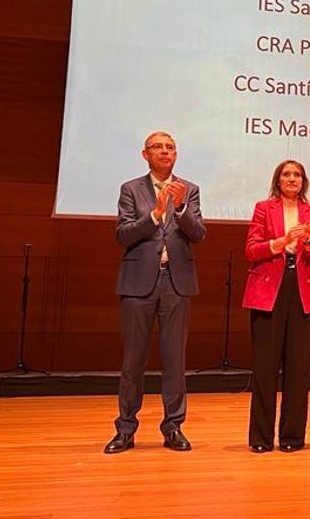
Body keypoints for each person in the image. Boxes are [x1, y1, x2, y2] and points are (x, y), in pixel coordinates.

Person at [104, 131, 207, 454]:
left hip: (176, 283)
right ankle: (126, 429)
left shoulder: (189, 190)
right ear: (144, 154)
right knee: (133, 360)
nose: (165, 151)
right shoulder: (131, 189)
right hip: (139, 283)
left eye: (170, 147)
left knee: (175, 360)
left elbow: (199, 234)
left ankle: (173, 426)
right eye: (158, 147)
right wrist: (155, 215)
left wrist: (179, 209)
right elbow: (123, 235)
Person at [243, 159, 310, 453]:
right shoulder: (264, 208)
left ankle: (292, 437)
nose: (292, 179)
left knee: (298, 367)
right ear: (278, 180)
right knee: (265, 367)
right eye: (286, 174)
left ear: (303, 181)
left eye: (297, 175)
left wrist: (309, 243)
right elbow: (251, 249)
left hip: (301, 289)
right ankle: (261, 438)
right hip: (269, 288)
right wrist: (281, 242)